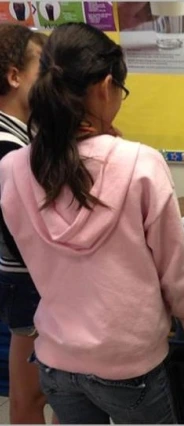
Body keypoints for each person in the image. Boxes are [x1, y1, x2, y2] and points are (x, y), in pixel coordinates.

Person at [0, 22, 184, 424]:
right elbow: (176, 273)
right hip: (130, 365)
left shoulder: (13, 167)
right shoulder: (140, 164)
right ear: (106, 87)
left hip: (57, 360)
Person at [0, 24, 52, 424]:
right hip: (27, 278)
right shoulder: (7, 146)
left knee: (31, 393)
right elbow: (19, 231)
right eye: (43, 68)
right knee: (31, 397)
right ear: (14, 75)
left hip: (24, 278)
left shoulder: (23, 135)